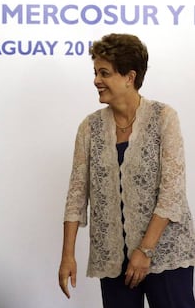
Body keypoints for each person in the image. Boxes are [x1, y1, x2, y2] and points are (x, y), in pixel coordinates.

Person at [58, 33, 195, 307]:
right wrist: (67, 256)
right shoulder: (89, 128)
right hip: (112, 259)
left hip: (166, 255)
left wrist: (144, 251)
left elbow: (171, 194)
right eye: (96, 72)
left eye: (104, 73)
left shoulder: (163, 117)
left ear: (129, 77)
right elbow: (76, 196)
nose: (96, 80)